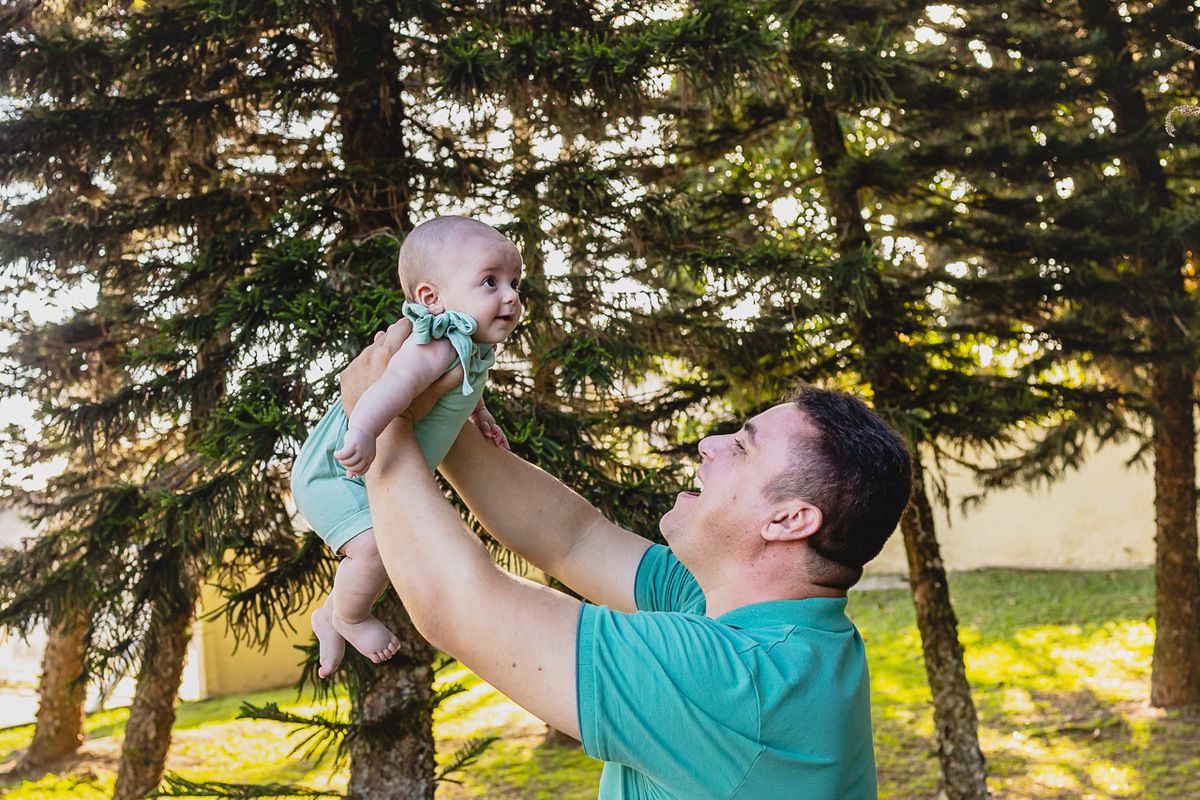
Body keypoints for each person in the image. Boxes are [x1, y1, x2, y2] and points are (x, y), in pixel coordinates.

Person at [339, 320, 913, 798]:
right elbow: (572, 539)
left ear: (789, 521)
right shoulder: (747, 610)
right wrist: (427, 407)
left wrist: (380, 426)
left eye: (741, 446)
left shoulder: (744, 682)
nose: (708, 444)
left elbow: (456, 604)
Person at [290, 216, 523, 678]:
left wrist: (480, 414)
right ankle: (350, 617)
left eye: (515, 282)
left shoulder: (473, 346)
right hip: (337, 469)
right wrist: (362, 431)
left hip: (366, 466)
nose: (511, 296)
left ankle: (329, 616)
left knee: (387, 546)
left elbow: (467, 386)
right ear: (432, 299)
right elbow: (393, 385)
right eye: (490, 282)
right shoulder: (437, 343)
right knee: (376, 549)